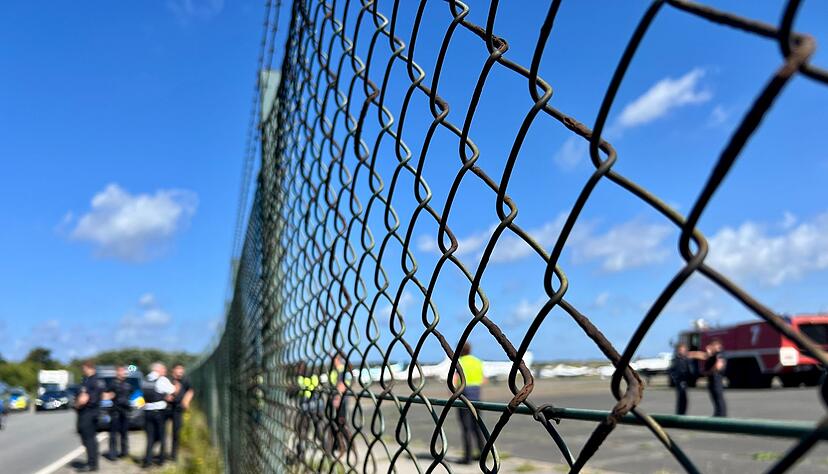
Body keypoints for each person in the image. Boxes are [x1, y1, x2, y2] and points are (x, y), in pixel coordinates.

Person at [455, 342, 486, 465]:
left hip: (464, 397)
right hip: (477, 397)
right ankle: (482, 454)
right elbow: (484, 379)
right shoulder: (478, 362)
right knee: (478, 427)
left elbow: (455, 380)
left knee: (466, 428)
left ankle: (467, 457)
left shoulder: (459, 362)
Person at [142, 362, 175, 468]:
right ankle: (161, 460)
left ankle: (147, 461)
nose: (165, 371)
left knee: (150, 437)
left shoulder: (146, 379)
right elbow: (172, 390)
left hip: (147, 412)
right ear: (158, 370)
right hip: (159, 413)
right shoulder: (162, 380)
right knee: (162, 437)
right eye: (163, 369)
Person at [75, 360, 105, 472]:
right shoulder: (88, 380)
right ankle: (92, 462)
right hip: (88, 413)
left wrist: (77, 405)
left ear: (89, 368)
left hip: (88, 413)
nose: (83, 371)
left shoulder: (93, 381)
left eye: (83, 368)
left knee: (89, 439)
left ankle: (92, 464)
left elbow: (84, 399)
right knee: (88, 439)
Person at [164, 363, 194, 461]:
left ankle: (174, 455)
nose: (181, 371)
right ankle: (162, 453)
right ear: (174, 370)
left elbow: (190, 391)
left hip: (178, 409)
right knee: (162, 431)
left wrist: (186, 400)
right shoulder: (167, 379)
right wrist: (166, 397)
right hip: (167, 408)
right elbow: (161, 391)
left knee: (176, 432)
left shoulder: (186, 380)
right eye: (179, 369)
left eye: (182, 369)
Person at [104, 365, 132, 461]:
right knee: (113, 434)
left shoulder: (128, 385)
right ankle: (112, 454)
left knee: (124, 434)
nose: (123, 373)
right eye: (121, 371)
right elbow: (105, 395)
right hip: (115, 411)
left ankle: (124, 453)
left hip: (125, 411)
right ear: (117, 372)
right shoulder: (112, 384)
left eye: (124, 371)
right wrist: (109, 395)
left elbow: (131, 396)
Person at [702, 339, 727, 417]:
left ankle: (722, 416)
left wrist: (709, 372)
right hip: (712, 381)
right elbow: (703, 357)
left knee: (719, 399)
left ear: (718, 346)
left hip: (716, 380)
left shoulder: (720, 354)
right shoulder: (713, 355)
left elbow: (718, 366)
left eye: (713, 345)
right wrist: (709, 353)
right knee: (715, 399)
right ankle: (717, 415)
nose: (711, 347)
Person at [669, 343, 693, 415]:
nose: (682, 351)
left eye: (683, 350)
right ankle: (680, 414)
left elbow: (690, 370)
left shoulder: (686, 359)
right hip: (679, 381)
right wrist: (676, 379)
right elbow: (671, 371)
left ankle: (683, 413)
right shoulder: (675, 360)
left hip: (685, 381)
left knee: (685, 399)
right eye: (681, 350)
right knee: (681, 399)